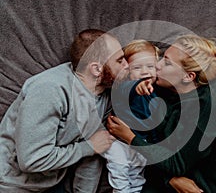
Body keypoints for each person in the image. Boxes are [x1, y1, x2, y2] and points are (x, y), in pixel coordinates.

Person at [107, 35, 216, 193]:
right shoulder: (166, 88)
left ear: (188, 76)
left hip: (194, 188)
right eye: (163, 57)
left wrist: (130, 138)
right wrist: (137, 86)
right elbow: (153, 139)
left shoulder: (208, 108)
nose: (157, 65)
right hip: (158, 178)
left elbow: (175, 164)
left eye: (167, 63)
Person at [0, 29, 128, 193]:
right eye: (120, 60)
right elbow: (32, 160)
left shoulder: (105, 94)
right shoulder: (49, 90)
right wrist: (87, 147)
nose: (127, 65)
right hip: (11, 184)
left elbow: (96, 149)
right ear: (96, 69)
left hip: (53, 183)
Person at [103, 40, 160, 193]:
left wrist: (153, 143)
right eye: (137, 67)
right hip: (119, 144)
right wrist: (138, 86)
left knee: (137, 179)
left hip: (141, 143)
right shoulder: (124, 87)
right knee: (120, 176)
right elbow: (129, 89)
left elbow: (154, 122)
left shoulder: (157, 95)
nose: (144, 71)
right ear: (127, 71)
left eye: (150, 66)